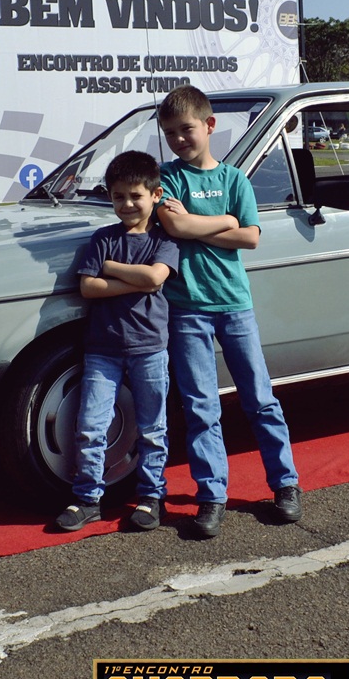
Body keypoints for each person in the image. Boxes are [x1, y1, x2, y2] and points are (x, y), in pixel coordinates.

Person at [153, 84, 302, 539]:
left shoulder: (235, 179)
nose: (179, 139)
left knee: (260, 398)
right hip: (187, 309)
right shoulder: (167, 177)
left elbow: (250, 237)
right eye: (170, 133)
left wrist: (197, 225)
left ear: (210, 125)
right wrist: (225, 221)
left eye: (187, 129)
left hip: (235, 306)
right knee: (201, 407)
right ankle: (211, 495)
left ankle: (285, 484)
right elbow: (174, 224)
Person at [56, 150, 180, 533]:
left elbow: (156, 278)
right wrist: (136, 279)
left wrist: (110, 268)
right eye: (118, 197)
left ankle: (151, 497)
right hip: (102, 350)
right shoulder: (103, 237)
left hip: (150, 348)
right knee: (91, 426)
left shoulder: (164, 239)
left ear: (156, 195)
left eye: (135, 196)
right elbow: (89, 288)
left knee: (152, 428)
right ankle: (87, 498)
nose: (127, 204)